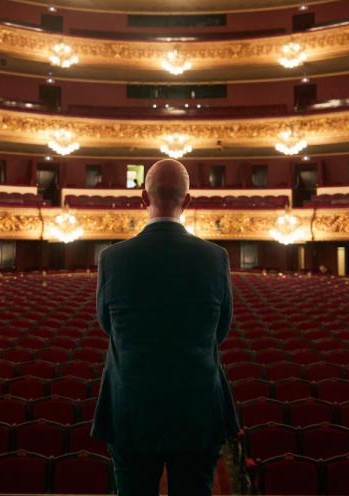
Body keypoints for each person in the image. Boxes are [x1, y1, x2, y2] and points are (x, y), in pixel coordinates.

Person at [91, 158, 239, 496]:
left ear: (143, 198)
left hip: (132, 405)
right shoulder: (215, 257)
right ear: (187, 202)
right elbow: (221, 329)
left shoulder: (112, 258)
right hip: (197, 404)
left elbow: (107, 325)